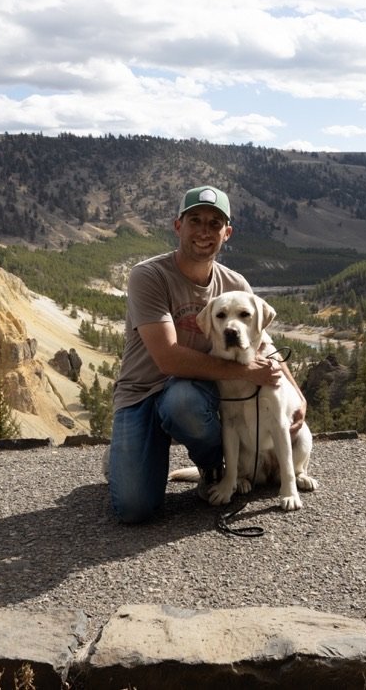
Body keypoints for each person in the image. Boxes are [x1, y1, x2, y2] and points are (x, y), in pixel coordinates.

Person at [107, 186, 305, 524]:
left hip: (195, 394)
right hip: (142, 393)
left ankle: (214, 467)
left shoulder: (235, 284)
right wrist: (246, 373)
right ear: (177, 226)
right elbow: (168, 360)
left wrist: (297, 395)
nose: (204, 231)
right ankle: (123, 458)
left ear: (226, 233)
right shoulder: (149, 276)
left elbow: (262, 342)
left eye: (215, 223)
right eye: (195, 220)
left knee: (184, 399)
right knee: (133, 508)